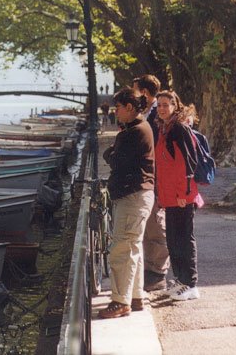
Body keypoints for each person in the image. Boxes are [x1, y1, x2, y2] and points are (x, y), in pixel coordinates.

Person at [98, 87, 155, 319]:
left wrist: (111, 154)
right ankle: (135, 296)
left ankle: (120, 301)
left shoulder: (132, 133)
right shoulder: (141, 128)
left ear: (129, 107)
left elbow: (115, 160)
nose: (115, 112)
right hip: (139, 194)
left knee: (121, 249)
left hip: (132, 196)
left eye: (118, 107)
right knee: (133, 247)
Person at [155, 90, 202, 301]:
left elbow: (188, 162)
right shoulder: (165, 129)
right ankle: (181, 280)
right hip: (170, 195)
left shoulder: (178, 129)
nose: (162, 108)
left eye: (166, 104)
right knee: (173, 239)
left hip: (181, 195)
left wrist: (184, 192)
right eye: (160, 105)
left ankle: (191, 284)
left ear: (175, 106)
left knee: (184, 238)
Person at [133, 73, 169, 293]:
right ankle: (152, 269)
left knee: (156, 224)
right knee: (149, 225)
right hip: (149, 178)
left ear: (144, 93)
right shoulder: (149, 113)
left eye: (135, 91)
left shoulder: (156, 114)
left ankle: (157, 273)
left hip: (155, 178)